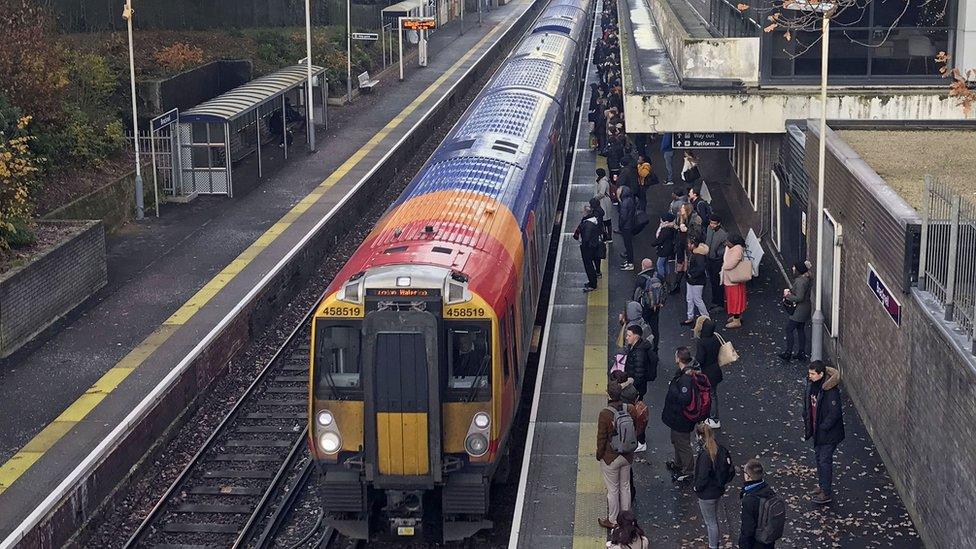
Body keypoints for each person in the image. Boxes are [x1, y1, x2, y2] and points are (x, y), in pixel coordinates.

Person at [804, 361, 845, 505]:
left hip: (828, 434)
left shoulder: (830, 391)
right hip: (818, 431)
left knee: (824, 460)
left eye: (812, 374)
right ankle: (822, 486)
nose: (809, 377)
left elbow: (835, 413)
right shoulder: (813, 385)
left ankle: (826, 492)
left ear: (821, 374)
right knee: (819, 458)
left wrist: (822, 427)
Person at [597, 382, 637, 529]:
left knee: (613, 490)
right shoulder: (631, 409)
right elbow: (636, 429)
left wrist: (599, 454)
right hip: (627, 456)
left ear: (608, 394)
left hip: (610, 457)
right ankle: (626, 519)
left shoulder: (605, 414)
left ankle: (613, 520)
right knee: (625, 487)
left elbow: (601, 438)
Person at [661, 347, 699, 482]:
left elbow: (684, 398)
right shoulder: (685, 373)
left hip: (681, 418)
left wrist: (673, 388)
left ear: (678, 358)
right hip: (678, 417)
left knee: (682, 443)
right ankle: (679, 463)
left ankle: (688, 470)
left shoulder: (685, 379)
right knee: (677, 440)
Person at [694, 422, 733, 549]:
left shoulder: (705, 454)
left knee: (710, 522)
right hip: (718, 490)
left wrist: (697, 488)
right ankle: (714, 544)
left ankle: (712, 545)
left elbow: (702, 477)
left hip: (706, 494)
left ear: (700, 436)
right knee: (713, 520)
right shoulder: (720, 449)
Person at [739, 459, 779, 549]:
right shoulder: (768, 491)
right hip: (768, 538)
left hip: (755, 542)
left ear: (748, 476)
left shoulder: (749, 500)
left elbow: (748, 529)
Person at [779, 261, 812, 361]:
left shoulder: (801, 281)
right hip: (806, 308)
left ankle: (788, 353)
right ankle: (801, 353)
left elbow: (799, 297)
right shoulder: (807, 279)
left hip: (799, 310)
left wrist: (788, 295)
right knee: (800, 329)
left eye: (794, 267)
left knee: (789, 329)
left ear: (799, 270)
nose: (793, 268)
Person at [695, 318, 722, 429]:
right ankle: (713, 417)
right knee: (713, 394)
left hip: (707, 372)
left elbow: (700, 359)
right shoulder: (715, 338)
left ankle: (714, 418)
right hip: (716, 370)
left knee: (710, 395)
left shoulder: (702, 342)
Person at [721, 234, 750, 329]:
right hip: (731, 278)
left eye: (728, 242)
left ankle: (737, 320)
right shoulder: (731, 248)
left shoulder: (737, 250)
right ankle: (735, 316)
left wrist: (723, 266)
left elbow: (730, 264)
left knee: (735, 300)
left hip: (734, 280)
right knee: (734, 299)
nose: (726, 243)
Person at [574, 203, 604, 292]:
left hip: (588, 248)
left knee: (589, 266)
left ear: (586, 212)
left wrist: (583, 246)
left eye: (583, 211)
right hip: (594, 246)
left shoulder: (587, 224)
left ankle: (593, 284)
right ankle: (592, 281)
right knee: (592, 264)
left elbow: (586, 238)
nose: (581, 212)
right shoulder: (594, 220)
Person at [624, 324, 658, 402]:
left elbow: (639, 375)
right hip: (636, 386)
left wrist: (631, 389)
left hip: (635, 389)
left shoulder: (639, 353)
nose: (626, 338)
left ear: (636, 337)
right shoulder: (635, 347)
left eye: (629, 336)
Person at [635, 259, 661, 351]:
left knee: (643, 327)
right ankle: (655, 348)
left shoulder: (641, 278)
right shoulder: (658, 276)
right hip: (656, 307)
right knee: (655, 328)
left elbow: (636, 294)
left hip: (644, 307)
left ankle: (643, 347)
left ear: (643, 266)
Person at [703, 216, 729, 311]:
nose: (712, 225)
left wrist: (718, 254)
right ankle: (715, 300)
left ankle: (719, 303)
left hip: (717, 261)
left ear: (718, 223)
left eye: (714, 223)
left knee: (717, 282)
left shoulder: (723, 234)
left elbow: (725, 247)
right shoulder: (709, 229)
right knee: (713, 282)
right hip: (709, 259)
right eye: (711, 223)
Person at [683, 239, 709, 326]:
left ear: (693, 245)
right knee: (689, 298)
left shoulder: (699, 256)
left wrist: (691, 274)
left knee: (697, 299)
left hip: (697, 281)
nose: (688, 245)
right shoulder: (696, 253)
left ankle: (706, 317)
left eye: (689, 244)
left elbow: (701, 269)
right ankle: (690, 316)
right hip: (692, 280)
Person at [653, 212, 677, 279]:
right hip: (668, 249)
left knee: (659, 264)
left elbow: (660, 239)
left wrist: (653, 244)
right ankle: (667, 277)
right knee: (665, 263)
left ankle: (662, 278)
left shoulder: (665, 229)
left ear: (666, 221)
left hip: (664, 249)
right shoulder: (670, 228)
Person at [618, 186, 637, 271]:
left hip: (626, 226)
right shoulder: (630, 200)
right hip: (629, 225)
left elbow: (623, 217)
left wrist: (620, 226)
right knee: (628, 245)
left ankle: (630, 263)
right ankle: (629, 261)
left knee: (628, 245)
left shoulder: (624, 203)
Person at [595, 168, 614, 241]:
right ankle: (608, 236)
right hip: (605, 201)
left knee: (604, 220)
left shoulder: (603, 182)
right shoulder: (605, 180)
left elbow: (601, 194)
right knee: (607, 220)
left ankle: (607, 236)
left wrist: (595, 198)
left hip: (604, 202)